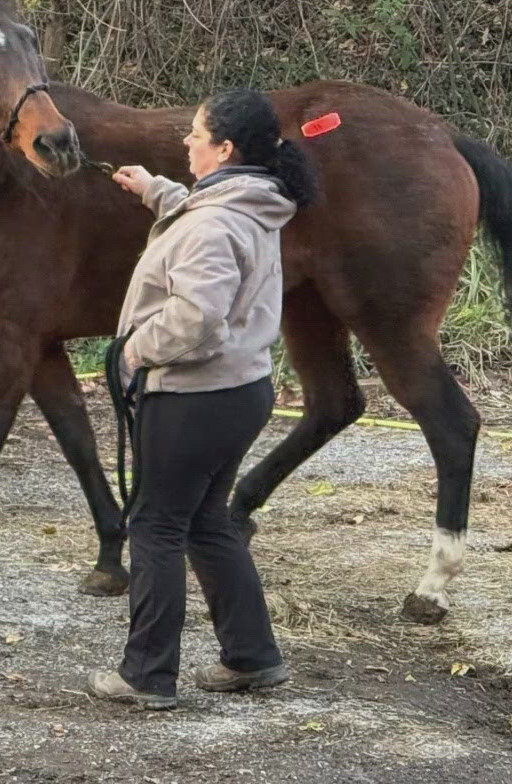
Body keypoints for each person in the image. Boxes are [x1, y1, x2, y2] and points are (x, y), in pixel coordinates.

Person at [88, 88, 319, 709]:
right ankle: (252, 658)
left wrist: (136, 351)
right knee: (208, 521)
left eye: (195, 135)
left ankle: (146, 676)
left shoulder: (215, 224)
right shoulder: (249, 202)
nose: (185, 142)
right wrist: (155, 190)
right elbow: (205, 221)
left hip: (193, 398)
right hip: (241, 392)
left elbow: (198, 317)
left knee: (156, 525)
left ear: (225, 149)